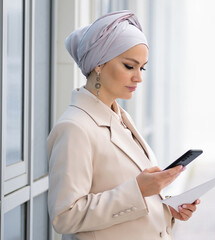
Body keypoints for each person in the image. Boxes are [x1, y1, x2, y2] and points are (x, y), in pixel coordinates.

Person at [47, 10, 200, 240]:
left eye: (142, 68)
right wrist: (138, 190)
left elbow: (126, 198)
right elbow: (65, 216)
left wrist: (168, 209)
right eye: (130, 66)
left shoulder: (123, 118)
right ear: (99, 64)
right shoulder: (74, 127)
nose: (138, 77)